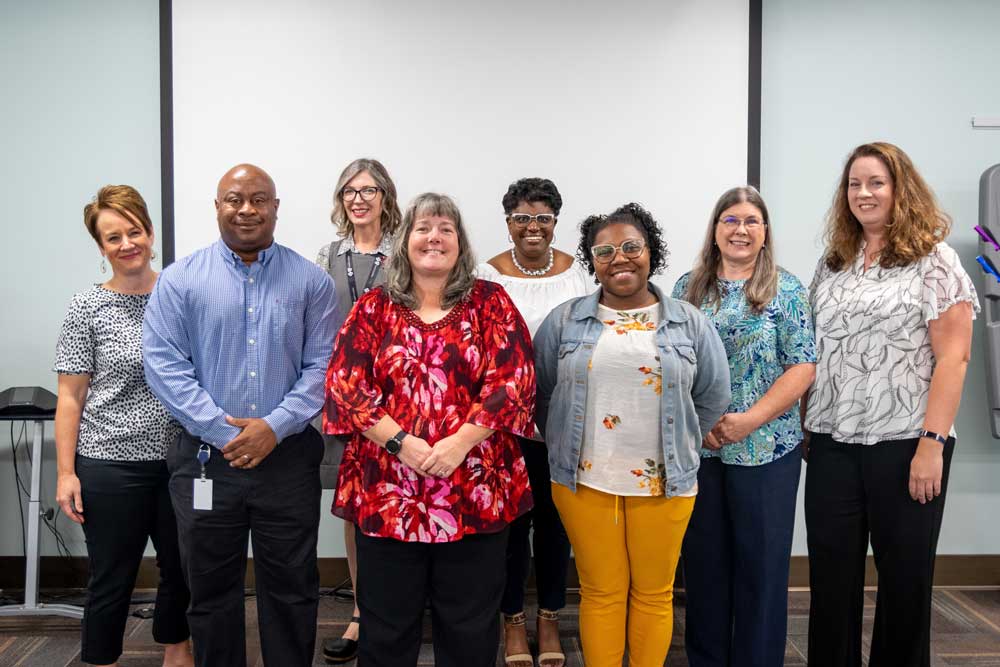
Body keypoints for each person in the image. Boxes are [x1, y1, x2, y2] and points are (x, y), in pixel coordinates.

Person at [324, 192, 536, 667]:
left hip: (474, 488)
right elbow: (345, 383)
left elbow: (514, 379)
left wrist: (459, 443)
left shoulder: (491, 301)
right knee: (387, 625)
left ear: (460, 242)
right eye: (423, 228)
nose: (434, 237)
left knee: (469, 624)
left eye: (445, 228)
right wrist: (402, 443)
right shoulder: (375, 306)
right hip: (388, 491)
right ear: (405, 242)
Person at [143, 164, 337, 667]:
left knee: (292, 588)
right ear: (217, 207)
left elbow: (323, 364)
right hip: (206, 459)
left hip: (287, 457)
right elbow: (164, 366)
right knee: (209, 591)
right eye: (234, 199)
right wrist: (221, 431)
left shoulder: (311, 281)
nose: (246, 209)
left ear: (276, 207)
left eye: (258, 199)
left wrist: (273, 427)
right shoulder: (180, 280)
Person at [803, 142, 978, 666]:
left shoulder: (935, 259)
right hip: (832, 444)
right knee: (831, 581)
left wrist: (932, 444)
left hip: (907, 443)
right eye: (855, 184)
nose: (864, 193)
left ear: (901, 189)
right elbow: (815, 347)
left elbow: (955, 359)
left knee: (905, 581)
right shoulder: (833, 263)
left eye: (876, 182)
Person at [534, 203, 731, 667]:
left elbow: (712, 395)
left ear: (650, 251)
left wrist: (679, 443)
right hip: (583, 481)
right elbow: (543, 393)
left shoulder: (689, 321)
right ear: (592, 261)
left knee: (654, 593)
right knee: (601, 592)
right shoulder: (565, 321)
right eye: (604, 251)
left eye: (630, 246)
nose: (618, 258)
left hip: (667, 482)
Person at [672, 186, 816, 666]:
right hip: (700, 451)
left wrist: (749, 420)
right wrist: (705, 421)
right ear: (715, 231)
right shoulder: (686, 288)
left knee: (761, 570)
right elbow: (670, 365)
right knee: (705, 569)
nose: (741, 229)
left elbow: (802, 366)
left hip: (768, 449)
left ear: (765, 231)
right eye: (730, 220)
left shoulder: (787, 288)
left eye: (751, 220)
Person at [53, 185, 193, 667]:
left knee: (183, 569)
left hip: (181, 461)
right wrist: (66, 473)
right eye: (113, 237)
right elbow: (70, 398)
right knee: (112, 576)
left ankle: (178, 650)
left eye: (134, 231)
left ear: (150, 233)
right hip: (110, 464)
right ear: (101, 248)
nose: (127, 243)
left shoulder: (181, 295)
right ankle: (101, 659)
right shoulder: (85, 307)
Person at [478, 177, 592, 667]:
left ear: (554, 223)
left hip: (562, 422)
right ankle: (512, 623)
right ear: (508, 223)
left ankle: (549, 617)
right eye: (522, 218)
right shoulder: (487, 275)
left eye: (543, 218)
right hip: (504, 425)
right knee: (509, 526)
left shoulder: (576, 273)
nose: (533, 227)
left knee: (554, 522)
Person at [315, 158, 402, 664]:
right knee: (355, 503)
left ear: (386, 197)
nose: (359, 198)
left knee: (396, 494)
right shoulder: (325, 254)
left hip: (397, 397)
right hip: (343, 395)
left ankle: (402, 603)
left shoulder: (406, 250)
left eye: (369, 189)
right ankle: (362, 611)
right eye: (350, 190)